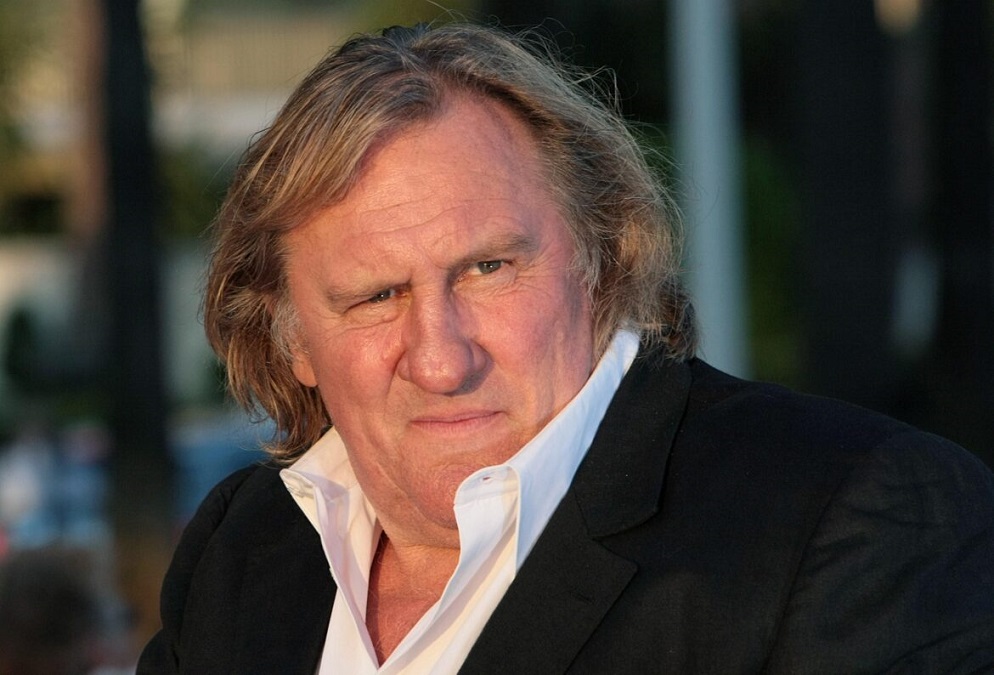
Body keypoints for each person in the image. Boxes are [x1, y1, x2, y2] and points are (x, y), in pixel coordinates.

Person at [138, 22, 994, 674]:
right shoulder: (240, 550)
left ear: (603, 258)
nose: (440, 359)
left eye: (488, 268)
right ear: (291, 338)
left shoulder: (856, 519)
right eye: (376, 296)